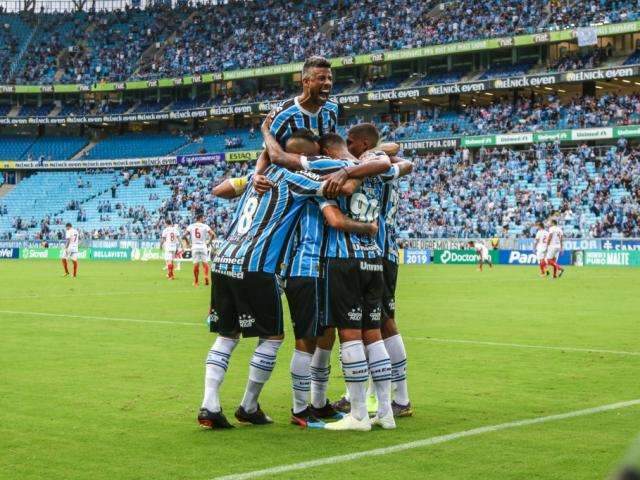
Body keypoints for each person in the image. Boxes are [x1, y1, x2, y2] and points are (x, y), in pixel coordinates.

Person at [197, 129, 360, 430]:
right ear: (303, 157)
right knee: (272, 337)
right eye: (311, 157)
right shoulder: (297, 178)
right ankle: (248, 405)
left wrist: (251, 176)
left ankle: (209, 404)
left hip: (224, 260)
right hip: (256, 264)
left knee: (227, 335)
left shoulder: (258, 176)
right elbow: (344, 188)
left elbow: (219, 190)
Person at [262, 123, 396, 428]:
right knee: (370, 336)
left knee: (343, 336)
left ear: (324, 151)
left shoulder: (326, 165)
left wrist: (266, 131)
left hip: (343, 260)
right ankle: (384, 412)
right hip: (372, 258)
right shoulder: (375, 167)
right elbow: (393, 161)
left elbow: (282, 159)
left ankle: (358, 414)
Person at [185, 213, 214, 287]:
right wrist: (209, 242)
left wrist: (188, 243)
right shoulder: (205, 226)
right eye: (203, 218)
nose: (204, 219)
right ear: (200, 218)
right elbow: (213, 234)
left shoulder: (191, 226)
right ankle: (206, 276)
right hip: (203, 246)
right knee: (205, 263)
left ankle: (196, 281)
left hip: (194, 246)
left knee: (196, 264)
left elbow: (184, 235)